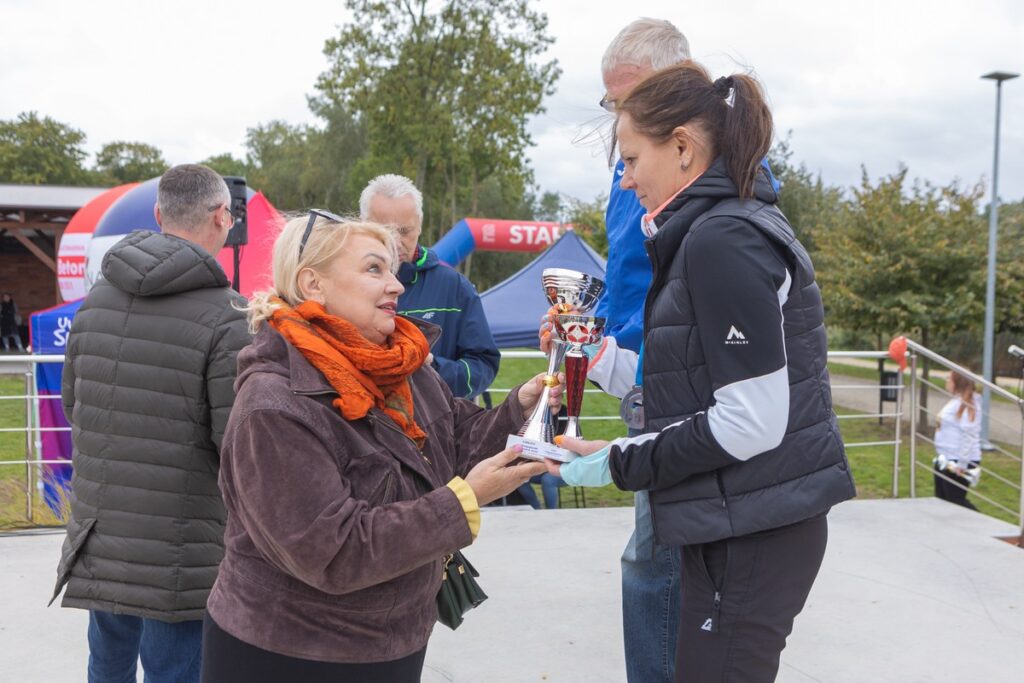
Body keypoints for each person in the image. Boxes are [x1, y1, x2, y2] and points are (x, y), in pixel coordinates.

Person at [547, 62, 856, 681]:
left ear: (683, 147)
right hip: (741, 520)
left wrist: (616, 460)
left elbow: (751, 422)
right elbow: (692, 378)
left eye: (631, 159)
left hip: (750, 531)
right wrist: (591, 354)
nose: (626, 178)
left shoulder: (723, 239)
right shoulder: (717, 229)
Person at [202, 211, 556, 682]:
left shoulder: (403, 367)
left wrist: (520, 408)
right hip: (290, 652)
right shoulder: (274, 402)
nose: (396, 285)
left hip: (394, 641)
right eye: (374, 269)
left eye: (392, 269)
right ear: (314, 284)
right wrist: (462, 502)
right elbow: (332, 551)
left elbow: (456, 442)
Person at [50, 164, 250, 682]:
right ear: (223, 218)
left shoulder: (95, 302)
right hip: (181, 549)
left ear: (160, 215)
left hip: (102, 531)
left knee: (107, 666)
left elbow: (76, 407)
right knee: (176, 673)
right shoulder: (229, 316)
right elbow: (236, 444)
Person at [360, 174, 500, 400]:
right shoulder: (343, 284)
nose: (395, 241)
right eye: (384, 231)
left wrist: (432, 369)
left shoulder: (454, 287)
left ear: (420, 226)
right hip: (361, 428)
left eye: (404, 231)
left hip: (436, 429)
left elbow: (483, 367)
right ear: (362, 225)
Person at [933, 372, 982, 510]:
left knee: (956, 501)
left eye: (949, 378)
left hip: (958, 461)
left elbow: (969, 435)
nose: (946, 380)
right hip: (946, 458)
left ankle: (983, 524)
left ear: (958, 382)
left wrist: (962, 463)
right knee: (941, 499)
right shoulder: (956, 401)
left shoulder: (969, 404)